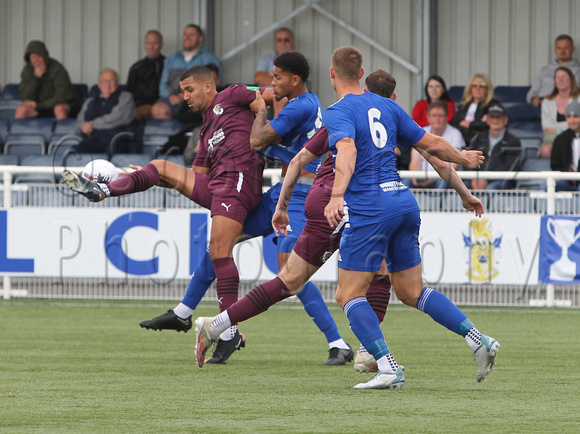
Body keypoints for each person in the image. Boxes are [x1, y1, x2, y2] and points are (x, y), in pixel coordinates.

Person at [195, 69, 486, 375]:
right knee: (297, 281)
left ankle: (368, 352)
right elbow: (435, 156)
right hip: (337, 203)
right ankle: (216, 326)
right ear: (392, 98)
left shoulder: (357, 113)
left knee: (379, 271)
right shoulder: (378, 115)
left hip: (347, 202)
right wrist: (465, 189)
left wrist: (282, 206)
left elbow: (299, 160)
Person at [140, 51, 352, 366]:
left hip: (301, 196)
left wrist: (257, 109)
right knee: (221, 244)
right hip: (285, 192)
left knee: (288, 269)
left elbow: (255, 140)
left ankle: (338, 343)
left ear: (294, 80)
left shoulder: (299, 106)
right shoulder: (308, 104)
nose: (271, 81)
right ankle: (187, 314)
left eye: (277, 77)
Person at [322, 46, 499, 390]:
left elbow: (347, 151)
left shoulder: (338, 111)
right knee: (411, 290)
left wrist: (337, 193)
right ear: (362, 75)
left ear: (332, 74)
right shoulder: (390, 106)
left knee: (347, 294)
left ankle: (387, 366)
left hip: (371, 208)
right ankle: (479, 340)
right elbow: (432, 143)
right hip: (403, 203)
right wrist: (462, 160)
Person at [64, 65, 273, 351]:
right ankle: (109, 188)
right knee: (161, 168)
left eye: (189, 89)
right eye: (182, 91)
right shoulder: (204, 133)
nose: (184, 96)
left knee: (220, 251)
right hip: (219, 187)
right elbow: (196, 177)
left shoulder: (233, 93)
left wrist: (265, 117)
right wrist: (154, 177)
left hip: (240, 180)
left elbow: (277, 94)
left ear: (208, 87)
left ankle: (228, 332)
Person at [151, 24, 221, 119]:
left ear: (200, 39)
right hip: (172, 100)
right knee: (157, 109)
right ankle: (173, 134)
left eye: (191, 34)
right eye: (185, 34)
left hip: (198, 99)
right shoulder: (170, 60)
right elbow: (162, 86)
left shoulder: (210, 59)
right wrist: (170, 96)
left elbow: (213, 86)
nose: (187, 37)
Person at [73, 68, 136, 155]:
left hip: (117, 141)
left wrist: (92, 125)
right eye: (104, 81)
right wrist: (82, 127)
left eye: (111, 81)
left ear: (117, 83)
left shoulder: (125, 97)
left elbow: (118, 118)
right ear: (99, 84)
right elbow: (79, 122)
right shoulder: (90, 101)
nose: (107, 84)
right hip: (92, 140)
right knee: (72, 153)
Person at [15, 40, 81, 121]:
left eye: (39, 56)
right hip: (40, 107)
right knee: (21, 109)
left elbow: (62, 97)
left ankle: (61, 133)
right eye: (33, 57)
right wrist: (36, 78)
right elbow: (25, 97)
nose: (36, 60)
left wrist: (38, 105)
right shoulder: (27, 70)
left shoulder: (57, 68)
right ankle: (21, 133)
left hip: (63, 105)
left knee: (59, 109)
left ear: (45, 56)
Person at [409, 101, 465, 188]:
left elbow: (454, 164)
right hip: (422, 176)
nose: (437, 118)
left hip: (444, 177)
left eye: (441, 116)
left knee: (443, 182)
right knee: (405, 182)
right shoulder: (421, 132)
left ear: (447, 117)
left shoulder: (455, 134)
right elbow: (415, 160)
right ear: (428, 117)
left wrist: (434, 177)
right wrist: (415, 177)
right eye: (434, 115)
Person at [468, 103, 522, 190]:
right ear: (488, 120)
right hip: (476, 180)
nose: (495, 120)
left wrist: (487, 179)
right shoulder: (478, 138)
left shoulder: (513, 141)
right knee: (461, 187)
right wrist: (475, 179)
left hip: (500, 182)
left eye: (499, 117)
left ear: (506, 120)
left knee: (491, 189)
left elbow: (511, 167)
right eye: (492, 117)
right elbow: (468, 160)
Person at [527, 34, 580, 107]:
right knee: (512, 113)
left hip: (565, 105)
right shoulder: (545, 69)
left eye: (566, 48)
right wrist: (533, 99)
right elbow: (531, 93)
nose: (562, 51)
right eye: (559, 48)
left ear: (573, 49)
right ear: (555, 50)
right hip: (540, 104)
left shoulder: (578, 70)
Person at [540, 66, 580, 158]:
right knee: (545, 150)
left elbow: (578, 125)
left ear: (571, 80)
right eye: (558, 77)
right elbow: (546, 127)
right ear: (555, 81)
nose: (561, 80)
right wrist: (568, 126)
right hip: (552, 138)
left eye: (564, 77)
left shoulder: (578, 99)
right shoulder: (547, 101)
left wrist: (556, 129)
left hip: (576, 135)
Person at [126, 30, 165, 120]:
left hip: (157, 105)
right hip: (135, 106)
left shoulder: (167, 65)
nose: (151, 47)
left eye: (155, 43)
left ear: (161, 45)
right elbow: (128, 91)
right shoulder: (136, 67)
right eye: (148, 43)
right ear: (144, 44)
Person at [451, 73, 500, 144]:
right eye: (474, 86)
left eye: (482, 86)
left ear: (487, 89)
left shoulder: (493, 104)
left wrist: (468, 125)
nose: (478, 88)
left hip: (481, 142)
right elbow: (456, 123)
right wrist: (476, 125)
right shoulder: (463, 104)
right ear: (470, 88)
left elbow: (486, 125)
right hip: (461, 140)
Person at [550, 101, 580, 191]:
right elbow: (555, 165)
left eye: (575, 116)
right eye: (569, 117)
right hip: (565, 180)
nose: (572, 120)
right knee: (545, 187)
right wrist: (567, 175)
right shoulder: (560, 139)